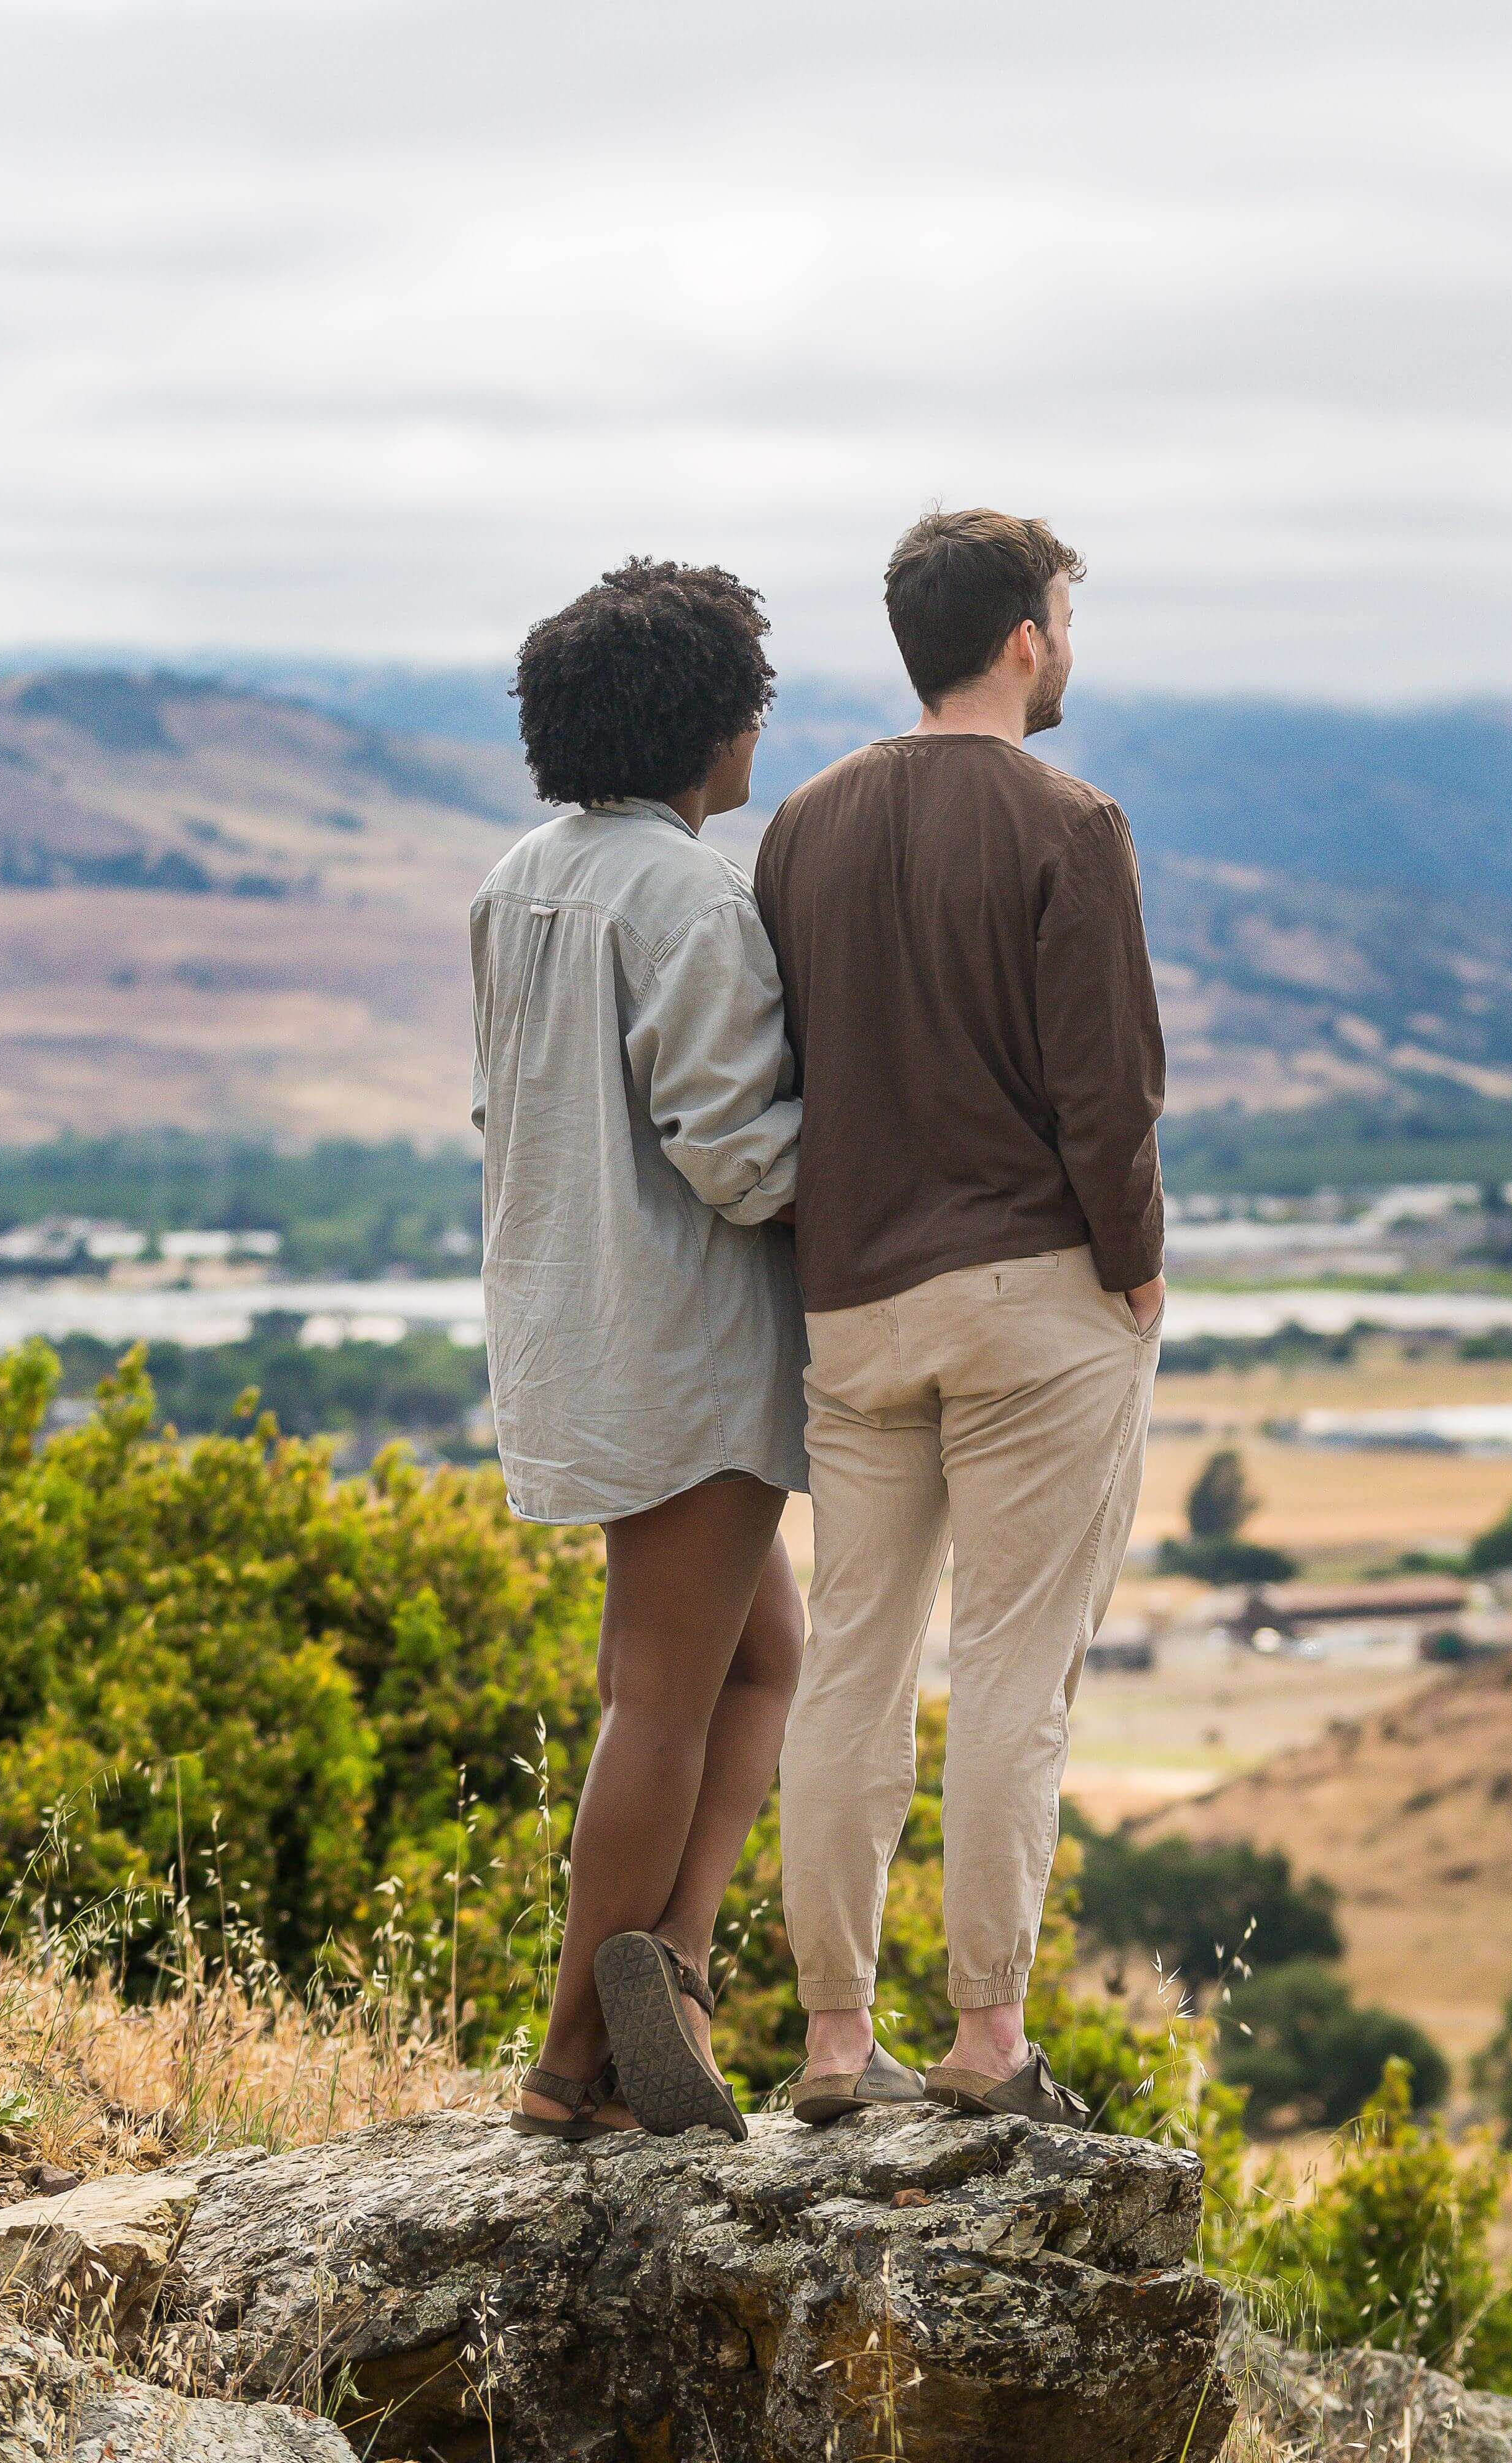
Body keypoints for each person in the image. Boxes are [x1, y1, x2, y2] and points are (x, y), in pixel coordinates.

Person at [757, 509, 1166, 2129]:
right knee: (1012, 1664)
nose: (1070, 642)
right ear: (1022, 638)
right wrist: (1132, 1264)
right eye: (1066, 613)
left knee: (850, 1659)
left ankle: (837, 2044)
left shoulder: (802, 826)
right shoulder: (1074, 823)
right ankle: (988, 2039)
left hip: (852, 1304)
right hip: (1030, 1301)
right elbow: (1110, 1089)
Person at [470, 557, 820, 2143]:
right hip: (686, 1342)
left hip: (571, 1322)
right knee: (665, 1693)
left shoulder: (517, 876)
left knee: (762, 1657)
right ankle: (569, 2060)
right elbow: (739, 1152)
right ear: (703, 726)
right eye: (750, 699)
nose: (761, 726)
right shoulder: (690, 894)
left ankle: (666, 1969)